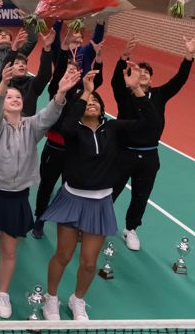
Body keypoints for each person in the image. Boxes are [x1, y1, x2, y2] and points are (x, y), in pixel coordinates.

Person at [42, 65, 158, 320]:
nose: (92, 102)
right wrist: (85, 92)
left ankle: (77, 300)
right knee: (63, 255)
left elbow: (151, 124)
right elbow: (66, 127)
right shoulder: (73, 131)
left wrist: (137, 89)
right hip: (72, 199)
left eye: (96, 100)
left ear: (103, 108)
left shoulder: (113, 129)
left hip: (100, 202)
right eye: (88, 101)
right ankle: (50, 299)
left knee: (89, 262)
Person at [0, 63, 79, 319]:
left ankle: (3, 293)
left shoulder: (32, 126)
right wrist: (2, 88)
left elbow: (49, 115)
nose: (14, 99)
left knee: (9, 251)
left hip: (17, 197)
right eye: (9, 97)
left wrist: (61, 93)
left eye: (17, 96)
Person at [111, 35, 194, 251]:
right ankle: (97, 221)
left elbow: (179, 79)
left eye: (147, 72)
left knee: (141, 196)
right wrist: (123, 58)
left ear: (151, 79)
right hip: (124, 153)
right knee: (111, 190)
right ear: (132, 77)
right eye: (140, 71)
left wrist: (188, 56)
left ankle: (131, 229)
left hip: (149, 156)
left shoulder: (159, 95)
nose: (144, 73)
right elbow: (115, 81)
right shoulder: (124, 95)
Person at [32, 47, 105, 239]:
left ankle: (68, 220)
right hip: (54, 148)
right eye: (68, 69)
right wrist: (63, 50)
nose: (71, 72)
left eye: (74, 70)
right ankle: (40, 218)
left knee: (70, 188)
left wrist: (98, 60)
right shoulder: (56, 89)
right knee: (46, 185)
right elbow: (58, 73)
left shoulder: (83, 93)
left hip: (74, 151)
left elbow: (97, 82)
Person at [0, 0, 38, 100]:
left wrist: (27, 20)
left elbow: (33, 40)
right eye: (0, 34)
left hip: (12, 96)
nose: (3, 35)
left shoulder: (18, 53)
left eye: (7, 35)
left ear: (11, 42)